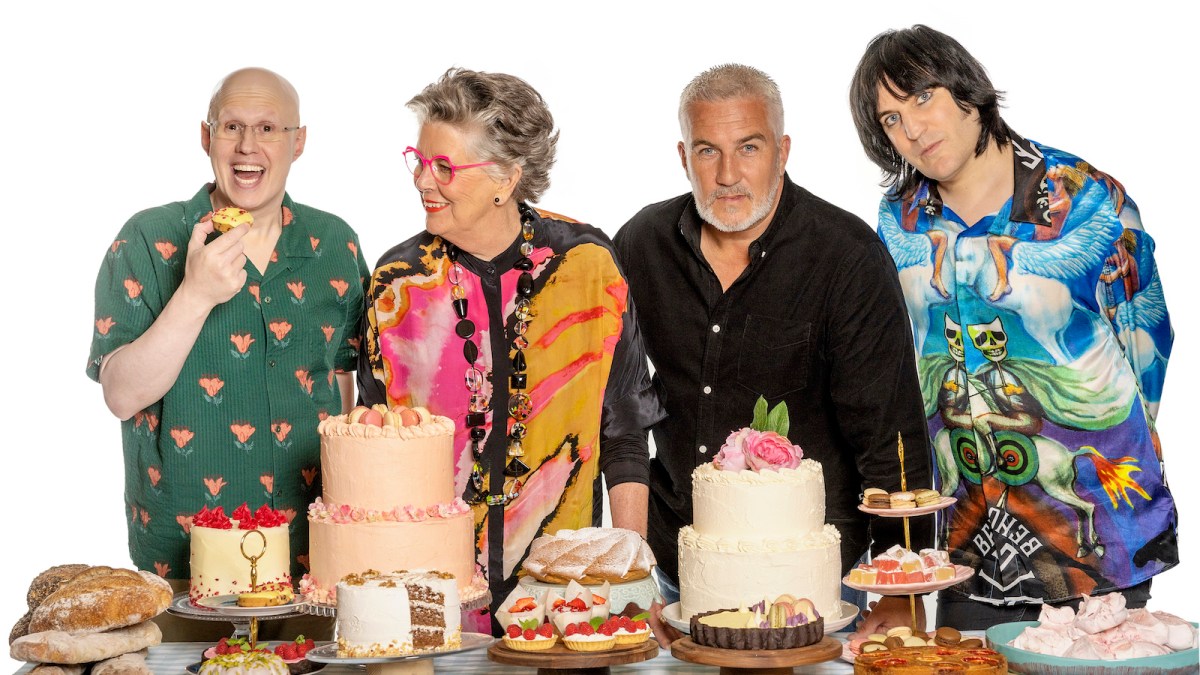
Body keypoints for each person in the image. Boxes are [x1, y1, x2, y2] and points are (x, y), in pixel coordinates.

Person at [849, 25, 1178, 630]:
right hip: (966, 539)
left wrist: (1104, 445)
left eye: (922, 98)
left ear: (966, 90)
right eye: (891, 120)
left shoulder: (1086, 198)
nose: (913, 129)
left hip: (1095, 535)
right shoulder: (899, 221)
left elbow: (1145, 341)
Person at [613, 64, 931, 647]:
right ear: (683, 155)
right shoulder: (640, 245)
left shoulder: (846, 256)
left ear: (782, 150)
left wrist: (899, 588)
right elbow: (618, 411)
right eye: (708, 151)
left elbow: (893, 439)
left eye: (749, 147)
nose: (728, 175)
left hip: (818, 584)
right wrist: (630, 573)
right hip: (672, 571)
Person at [357, 68, 664, 635]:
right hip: (429, 595)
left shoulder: (586, 263)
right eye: (418, 160)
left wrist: (630, 579)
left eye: (444, 167)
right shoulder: (398, 282)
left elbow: (623, 429)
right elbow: (375, 453)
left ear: (507, 177)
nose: (424, 181)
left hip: (566, 597)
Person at [87, 67, 367, 639]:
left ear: (299, 141)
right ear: (205, 137)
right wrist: (195, 295)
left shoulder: (334, 244)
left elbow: (342, 388)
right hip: (182, 566)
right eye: (232, 127)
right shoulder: (147, 238)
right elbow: (120, 394)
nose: (248, 146)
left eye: (268, 127)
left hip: (311, 564)